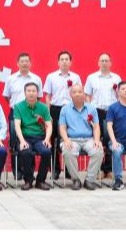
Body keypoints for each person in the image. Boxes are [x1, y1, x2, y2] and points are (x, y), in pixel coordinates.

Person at [43, 51, 81, 180]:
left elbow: (79, 95)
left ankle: (70, 169)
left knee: (69, 138)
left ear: (70, 62)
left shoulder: (75, 77)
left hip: (71, 110)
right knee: (53, 139)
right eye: (62, 59)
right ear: (58, 62)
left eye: (66, 59)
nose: (64, 61)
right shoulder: (51, 77)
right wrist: (48, 114)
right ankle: (55, 169)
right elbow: (48, 96)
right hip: (55, 109)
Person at [58, 84, 104, 191]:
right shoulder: (65, 109)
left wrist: (97, 140)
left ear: (84, 94)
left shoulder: (91, 108)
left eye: (80, 92)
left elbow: (96, 126)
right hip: (71, 139)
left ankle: (89, 180)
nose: (77, 94)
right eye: (74, 92)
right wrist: (66, 139)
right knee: (67, 151)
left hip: (88, 139)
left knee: (98, 150)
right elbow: (62, 127)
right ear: (70, 94)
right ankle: (76, 179)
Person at [84, 52, 121, 178]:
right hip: (96, 111)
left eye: (106, 60)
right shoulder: (91, 77)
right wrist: (89, 111)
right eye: (102, 60)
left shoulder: (116, 78)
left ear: (110, 63)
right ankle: (98, 169)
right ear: (98, 63)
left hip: (112, 111)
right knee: (97, 139)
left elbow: (120, 96)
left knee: (110, 139)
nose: (104, 63)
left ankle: (108, 169)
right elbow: (87, 96)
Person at [11, 82, 52, 191]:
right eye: (28, 91)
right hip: (25, 137)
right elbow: (17, 125)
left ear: (37, 93)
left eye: (33, 91)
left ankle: (40, 181)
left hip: (39, 138)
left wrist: (47, 139)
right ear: (25, 93)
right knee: (25, 151)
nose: (31, 93)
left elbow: (49, 125)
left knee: (46, 151)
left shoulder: (43, 107)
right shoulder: (18, 106)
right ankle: (28, 180)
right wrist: (22, 141)